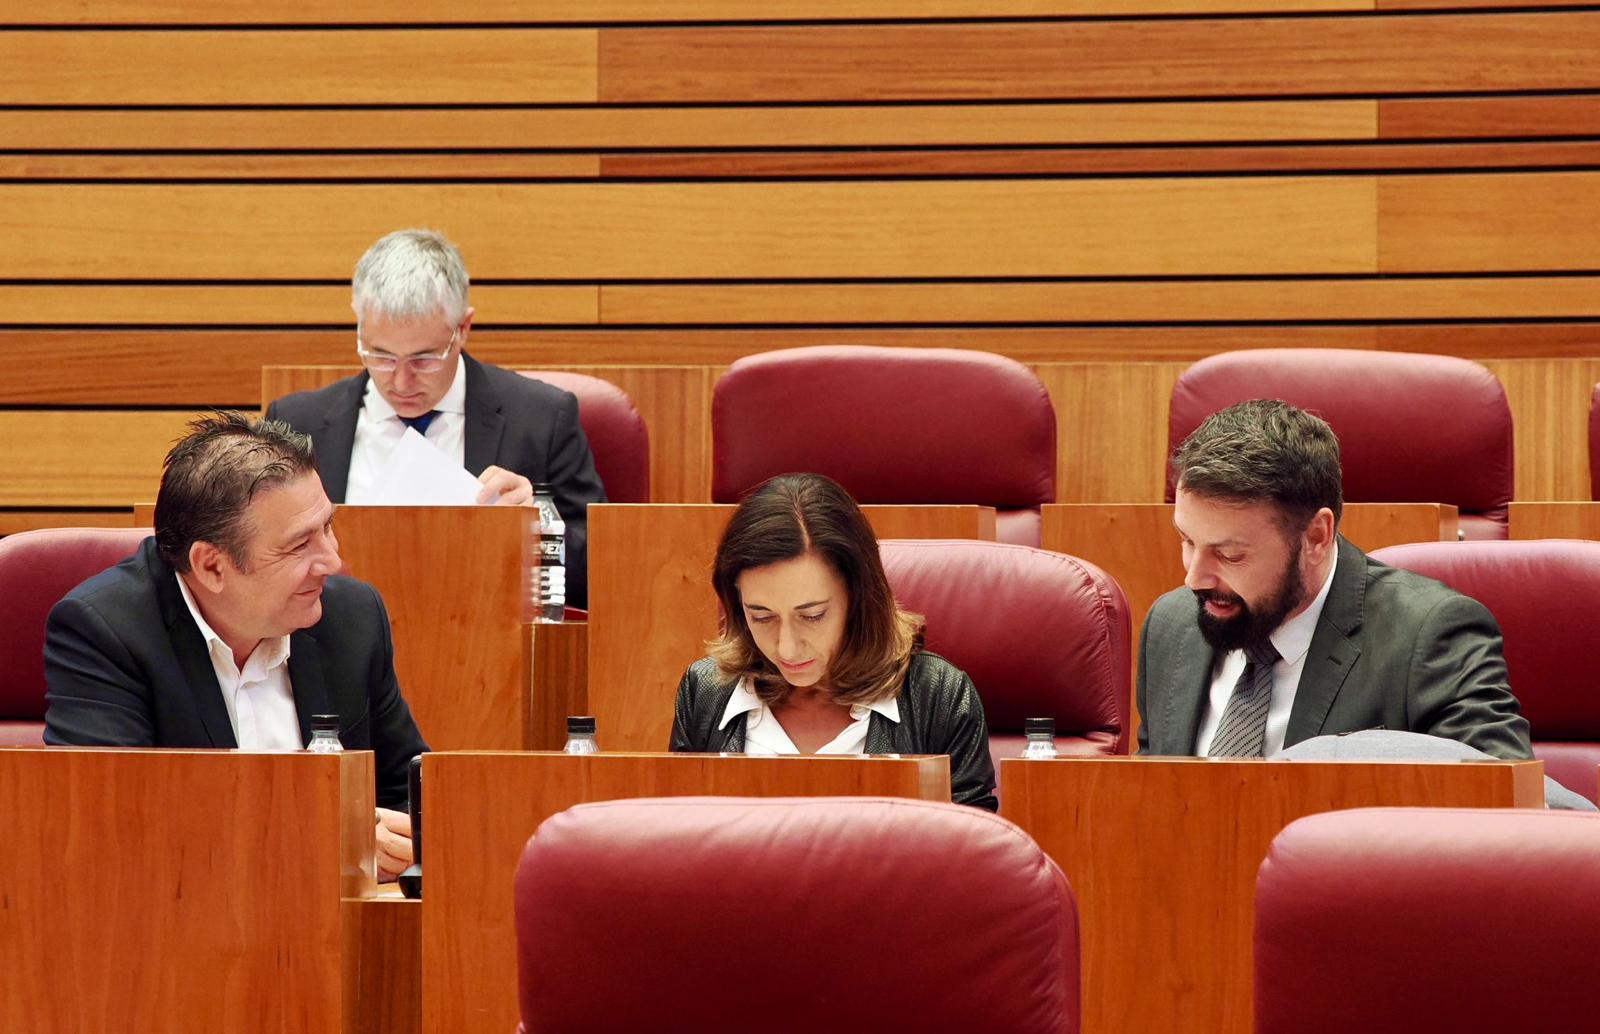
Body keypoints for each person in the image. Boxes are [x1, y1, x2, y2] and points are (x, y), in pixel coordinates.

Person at [44, 412, 429, 880]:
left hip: (335, 925)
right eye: (299, 545)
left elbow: (409, 792)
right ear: (211, 566)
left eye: (327, 527)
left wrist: (410, 838)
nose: (332, 560)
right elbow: (109, 826)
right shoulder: (106, 632)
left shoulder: (350, 617)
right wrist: (325, 838)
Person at [1137, 398, 1532, 760]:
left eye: (1230, 554)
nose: (1194, 577)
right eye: (1187, 541)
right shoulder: (1171, 626)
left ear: (1315, 538)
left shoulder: (1428, 638)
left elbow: (1500, 808)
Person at [265, 228, 605, 608]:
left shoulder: (542, 419)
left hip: (488, 638)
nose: (400, 380)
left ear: (463, 328)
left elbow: (604, 571)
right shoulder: (296, 423)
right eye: (381, 355)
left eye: (424, 359)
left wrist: (537, 526)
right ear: (359, 326)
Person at [669, 472, 998, 811]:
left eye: (812, 616)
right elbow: (683, 843)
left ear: (858, 598)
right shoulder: (705, 692)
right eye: (762, 616)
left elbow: (972, 855)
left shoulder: (939, 696)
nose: (787, 648)